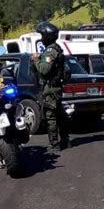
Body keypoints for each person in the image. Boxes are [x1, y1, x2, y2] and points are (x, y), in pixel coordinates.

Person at [32, 21, 71, 151]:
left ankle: (55, 144)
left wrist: (36, 59)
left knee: (50, 116)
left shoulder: (50, 51)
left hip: (50, 88)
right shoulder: (57, 48)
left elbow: (44, 69)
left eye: (42, 35)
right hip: (55, 87)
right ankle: (65, 140)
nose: (41, 38)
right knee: (60, 115)